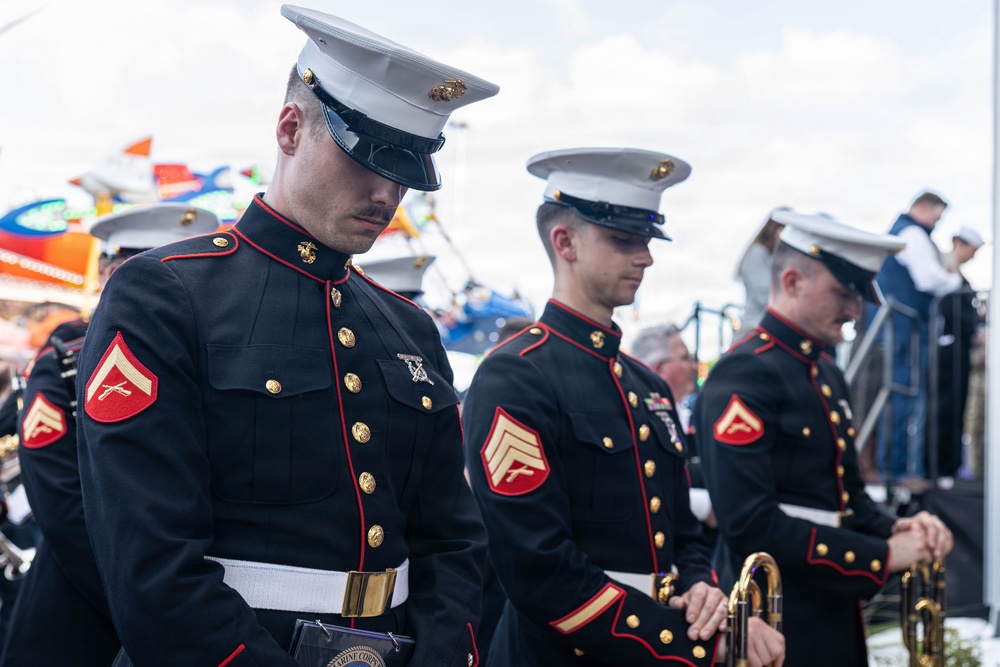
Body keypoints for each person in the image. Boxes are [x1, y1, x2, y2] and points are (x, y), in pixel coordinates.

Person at [75, 6, 499, 667]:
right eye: (365, 158)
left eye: (406, 171)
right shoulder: (166, 293)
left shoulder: (409, 326)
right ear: (290, 128)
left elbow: (452, 541)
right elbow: (152, 567)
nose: (386, 193)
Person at [462, 147, 785, 667]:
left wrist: (701, 589)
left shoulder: (647, 385)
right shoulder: (516, 375)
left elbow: (683, 535)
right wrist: (693, 644)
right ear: (564, 242)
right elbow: (539, 569)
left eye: (647, 241)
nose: (646, 257)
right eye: (622, 240)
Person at [695, 209, 954, 667]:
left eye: (858, 296)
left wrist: (897, 527)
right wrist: (880, 556)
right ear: (792, 281)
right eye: (843, 293)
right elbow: (748, 523)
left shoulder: (826, 372)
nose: (855, 311)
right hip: (773, 620)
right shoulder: (745, 372)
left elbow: (847, 495)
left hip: (832, 609)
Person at [1, 203, 220, 667]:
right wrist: (156, 607)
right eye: (140, 267)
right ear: (107, 274)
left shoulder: (216, 355)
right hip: (87, 609)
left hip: (197, 598)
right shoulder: (65, 360)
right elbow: (62, 507)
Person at [873, 192, 961, 484]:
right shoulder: (913, 234)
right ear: (923, 207)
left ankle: (896, 467)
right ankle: (897, 470)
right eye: (937, 216)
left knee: (902, 399)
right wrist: (955, 281)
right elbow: (928, 278)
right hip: (906, 331)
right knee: (905, 400)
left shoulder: (904, 232)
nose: (937, 223)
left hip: (902, 330)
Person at [928, 226, 983, 485]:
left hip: (960, 352)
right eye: (972, 249)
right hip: (947, 352)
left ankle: (951, 466)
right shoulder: (944, 271)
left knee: (956, 407)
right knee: (944, 407)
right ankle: (941, 467)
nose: (973, 255)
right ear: (959, 244)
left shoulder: (959, 277)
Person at [733, 209, 787, 340]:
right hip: (754, 330)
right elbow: (764, 296)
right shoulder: (757, 254)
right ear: (774, 230)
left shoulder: (770, 257)